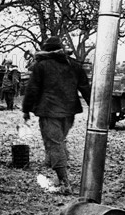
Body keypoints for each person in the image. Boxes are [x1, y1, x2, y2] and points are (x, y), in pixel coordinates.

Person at [22, 37, 91, 194]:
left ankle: (64, 182)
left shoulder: (41, 66)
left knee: (55, 144)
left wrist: (26, 109)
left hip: (49, 111)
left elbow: (32, 89)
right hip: (69, 113)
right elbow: (85, 88)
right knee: (57, 141)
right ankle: (52, 161)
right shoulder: (74, 65)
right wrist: (93, 107)